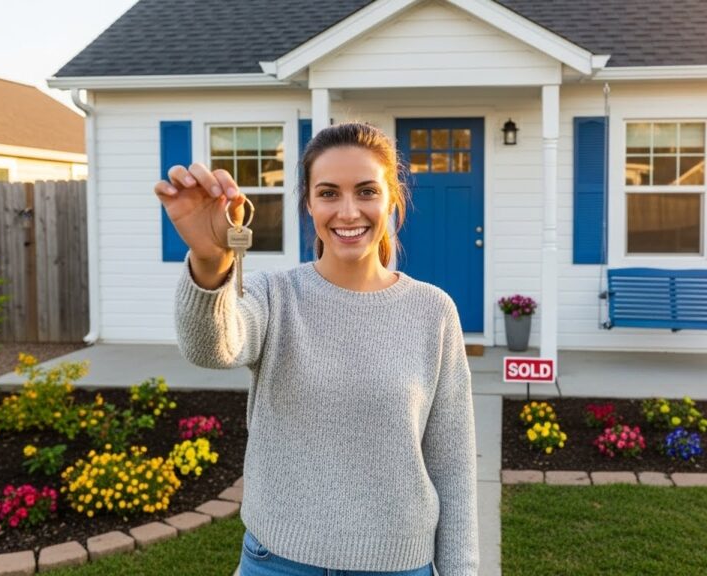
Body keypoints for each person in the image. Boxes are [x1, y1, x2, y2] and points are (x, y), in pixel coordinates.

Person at [154, 122, 479, 575]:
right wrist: (211, 262)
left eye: (366, 191)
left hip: (399, 564)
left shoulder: (433, 311)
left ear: (392, 201)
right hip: (279, 562)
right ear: (308, 203)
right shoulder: (273, 295)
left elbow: (453, 467)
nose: (348, 212)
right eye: (329, 193)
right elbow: (214, 347)